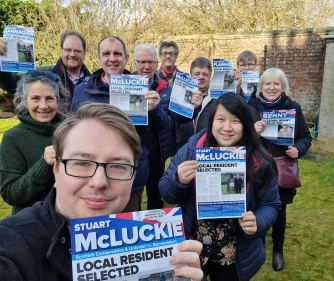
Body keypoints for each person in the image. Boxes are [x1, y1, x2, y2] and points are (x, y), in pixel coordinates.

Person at [0, 103, 205, 281]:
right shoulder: (12, 245)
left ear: (133, 176)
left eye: (117, 166)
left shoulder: (160, 251)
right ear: (56, 170)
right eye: (81, 163)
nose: (99, 182)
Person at [159, 92, 281, 281]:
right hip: (193, 242)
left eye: (235, 121)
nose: (227, 128)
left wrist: (257, 221)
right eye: (221, 119)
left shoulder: (261, 162)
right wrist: (178, 180)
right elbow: (165, 192)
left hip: (233, 250)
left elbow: (272, 205)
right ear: (211, 121)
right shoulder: (192, 149)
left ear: (246, 124)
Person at [248, 68, 312, 272]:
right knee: (255, 208)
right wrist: (252, 132)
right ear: (261, 86)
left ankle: (278, 250)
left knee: (279, 211)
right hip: (255, 168)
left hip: (282, 170)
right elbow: (235, 138)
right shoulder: (249, 108)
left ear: (283, 87)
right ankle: (259, 245)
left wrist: (299, 149)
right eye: (267, 83)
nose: (272, 87)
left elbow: (305, 137)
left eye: (276, 84)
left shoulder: (293, 107)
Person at [133, 44, 203, 210]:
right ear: (135, 63)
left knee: (156, 198)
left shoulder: (166, 89)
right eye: (142, 62)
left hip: (157, 155)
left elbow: (179, 116)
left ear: (157, 64)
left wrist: (194, 107)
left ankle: (154, 232)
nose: (146, 66)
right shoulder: (124, 86)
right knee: (132, 198)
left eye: (150, 62)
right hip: (132, 155)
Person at [0, 70, 67, 214]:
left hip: (67, 223)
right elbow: (10, 194)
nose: (43, 106)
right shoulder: (13, 138)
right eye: (35, 98)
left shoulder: (69, 132)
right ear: (24, 101)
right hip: (31, 227)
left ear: (58, 101)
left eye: (49, 98)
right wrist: (44, 164)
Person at [169, 57, 243, 160]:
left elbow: (239, 110)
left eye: (205, 74)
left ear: (210, 76)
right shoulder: (180, 95)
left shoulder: (220, 98)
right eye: (197, 74)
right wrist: (172, 152)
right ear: (191, 76)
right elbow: (171, 124)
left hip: (210, 154)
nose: (201, 77)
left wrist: (238, 88)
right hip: (183, 151)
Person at [0, 29, 90, 102]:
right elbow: (12, 84)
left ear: (84, 54)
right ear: (61, 52)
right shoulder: (42, 74)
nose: (72, 54)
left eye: (77, 51)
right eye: (68, 50)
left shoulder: (95, 82)